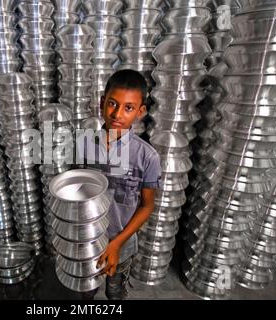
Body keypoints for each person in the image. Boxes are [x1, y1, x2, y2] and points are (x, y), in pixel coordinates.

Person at [76, 69, 161, 300]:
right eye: (112, 104)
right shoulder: (83, 145)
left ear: (140, 111)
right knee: (87, 290)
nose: (117, 114)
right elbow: (77, 191)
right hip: (88, 240)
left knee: (115, 291)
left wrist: (116, 245)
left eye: (129, 108)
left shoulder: (147, 157)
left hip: (121, 245)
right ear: (102, 102)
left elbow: (146, 206)